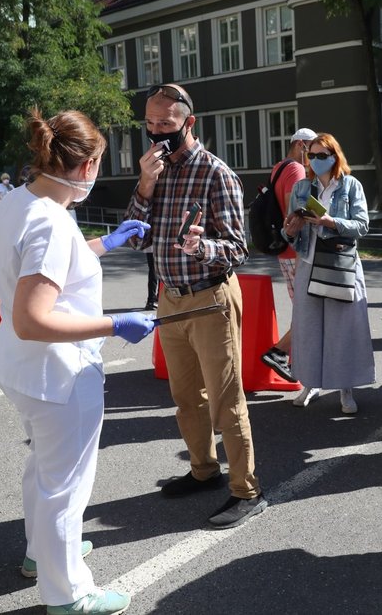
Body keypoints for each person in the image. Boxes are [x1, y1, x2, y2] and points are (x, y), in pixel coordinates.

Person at [0, 108, 154, 615]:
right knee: (67, 485)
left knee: (44, 465)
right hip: (58, 373)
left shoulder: (21, 201)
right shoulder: (51, 225)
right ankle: (70, 595)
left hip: (24, 369)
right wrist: (115, 323)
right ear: (86, 167)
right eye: (100, 163)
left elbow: (46, 267)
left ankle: (42, 555)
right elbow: (32, 318)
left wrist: (104, 244)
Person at [125, 83, 267, 529]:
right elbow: (136, 237)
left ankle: (247, 490)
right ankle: (203, 470)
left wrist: (201, 245)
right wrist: (145, 184)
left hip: (210, 298)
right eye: (149, 124)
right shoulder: (157, 170)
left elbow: (238, 248)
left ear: (189, 123)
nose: (156, 133)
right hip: (170, 297)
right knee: (186, 396)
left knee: (226, 399)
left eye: (165, 124)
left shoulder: (215, 173)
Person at [281, 132, 375, 413]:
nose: (316, 160)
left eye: (322, 155)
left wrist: (330, 221)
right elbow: (290, 232)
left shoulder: (350, 185)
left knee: (343, 329)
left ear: (335, 156)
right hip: (308, 262)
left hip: (340, 263)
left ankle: (346, 389)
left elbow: (362, 225)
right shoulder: (301, 187)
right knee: (308, 329)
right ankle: (310, 384)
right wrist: (290, 230)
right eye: (312, 155)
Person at [259, 126, 315, 382]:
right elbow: (295, 206)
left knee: (304, 308)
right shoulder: (296, 169)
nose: (314, 155)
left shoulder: (279, 167)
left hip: (285, 250)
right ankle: (279, 352)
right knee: (308, 309)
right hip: (295, 249)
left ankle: (294, 361)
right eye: (312, 149)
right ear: (301, 145)